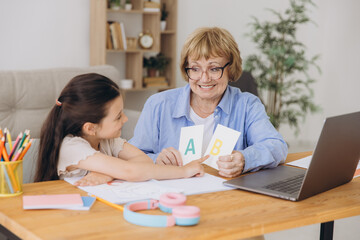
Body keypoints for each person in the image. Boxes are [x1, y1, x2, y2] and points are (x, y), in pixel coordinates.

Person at [129, 27, 288, 178]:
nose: (204, 79)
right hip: (173, 195)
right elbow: (131, 155)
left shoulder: (247, 105)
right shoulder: (158, 104)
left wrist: (244, 159)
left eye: (214, 69)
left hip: (225, 196)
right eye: (195, 69)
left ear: (230, 69)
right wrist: (157, 159)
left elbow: (276, 146)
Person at [34, 73, 207, 186]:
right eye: (118, 117)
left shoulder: (108, 140)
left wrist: (106, 175)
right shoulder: (71, 147)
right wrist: (184, 171)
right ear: (90, 128)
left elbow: (144, 162)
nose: (125, 119)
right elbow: (130, 171)